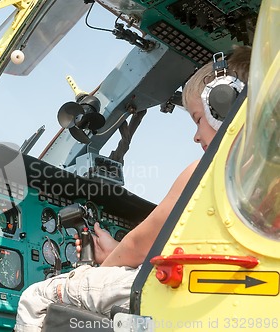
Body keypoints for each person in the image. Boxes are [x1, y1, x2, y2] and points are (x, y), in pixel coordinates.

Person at [14, 45, 251, 332]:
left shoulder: (208, 170)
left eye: (198, 119)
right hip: (232, 289)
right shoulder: (259, 172)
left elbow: (141, 243)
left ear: (224, 105)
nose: (195, 135)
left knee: (37, 298)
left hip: (188, 287)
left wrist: (102, 268)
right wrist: (114, 250)